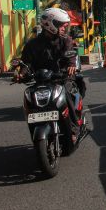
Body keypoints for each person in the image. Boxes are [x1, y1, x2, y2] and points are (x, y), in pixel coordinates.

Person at [16, 8, 84, 140]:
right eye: (61, 25)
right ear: (50, 25)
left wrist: (71, 65)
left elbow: (70, 54)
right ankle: (35, 125)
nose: (64, 28)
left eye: (65, 26)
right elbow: (26, 63)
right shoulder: (32, 45)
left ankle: (74, 128)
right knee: (30, 96)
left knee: (67, 93)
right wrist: (21, 74)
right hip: (41, 80)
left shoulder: (65, 40)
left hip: (62, 77)